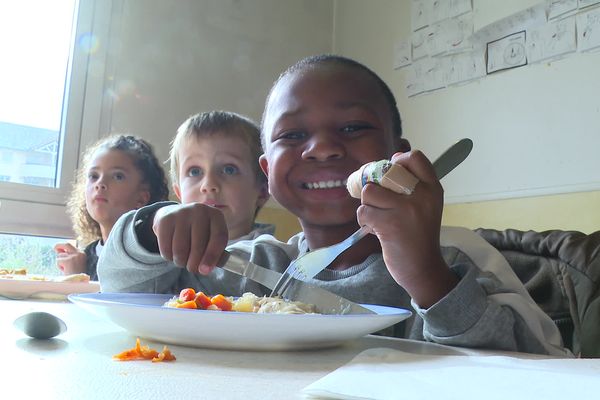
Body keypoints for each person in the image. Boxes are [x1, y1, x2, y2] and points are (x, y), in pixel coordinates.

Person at [98, 55, 569, 356]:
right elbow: (122, 287)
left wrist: (427, 276)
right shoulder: (249, 265)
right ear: (267, 169)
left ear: (397, 154)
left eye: (351, 128)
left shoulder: (456, 257)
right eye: (293, 135)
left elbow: (537, 366)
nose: (321, 148)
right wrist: (150, 223)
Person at [55, 134, 169, 280]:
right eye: (94, 176)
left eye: (118, 176)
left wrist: (77, 279)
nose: (100, 184)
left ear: (141, 197)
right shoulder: (85, 257)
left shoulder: (150, 256)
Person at [166, 110, 273, 243]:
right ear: (179, 193)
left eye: (229, 170)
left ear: (262, 191)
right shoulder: (161, 253)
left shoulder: (275, 258)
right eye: (194, 171)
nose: (209, 185)